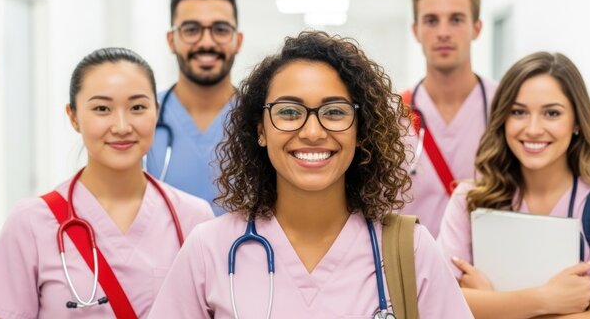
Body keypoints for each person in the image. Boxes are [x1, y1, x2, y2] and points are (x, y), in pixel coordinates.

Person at [148, 31, 473, 318]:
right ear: (261, 130)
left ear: (361, 131)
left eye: (334, 112)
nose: (313, 131)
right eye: (289, 112)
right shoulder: (209, 248)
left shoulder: (411, 250)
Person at [0, 48, 214, 319]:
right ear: (73, 116)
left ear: (156, 111)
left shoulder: (193, 217)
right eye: (102, 109)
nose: (121, 126)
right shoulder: (31, 222)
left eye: (138, 107)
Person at [438, 52, 590, 318]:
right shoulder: (469, 200)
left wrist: (491, 304)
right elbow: (439, 302)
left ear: (576, 122)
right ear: (503, 119)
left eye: (552, 113)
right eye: (518, 112)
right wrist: (546, 300)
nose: (534, 129)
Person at [399, 0, 498, 237]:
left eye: (456, 19)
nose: (443, 32)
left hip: (486, 272)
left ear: (476, 28)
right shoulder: (391, 115)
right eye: (431, 21)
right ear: (416, 30)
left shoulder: (506, 107)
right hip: (413, 272)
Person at [144, 0, 243, 216]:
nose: (206, 42)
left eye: (220, 30)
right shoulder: (142, 115)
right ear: (172, 40)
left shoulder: (262, 119)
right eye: (191, 30)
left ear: (237, 41)